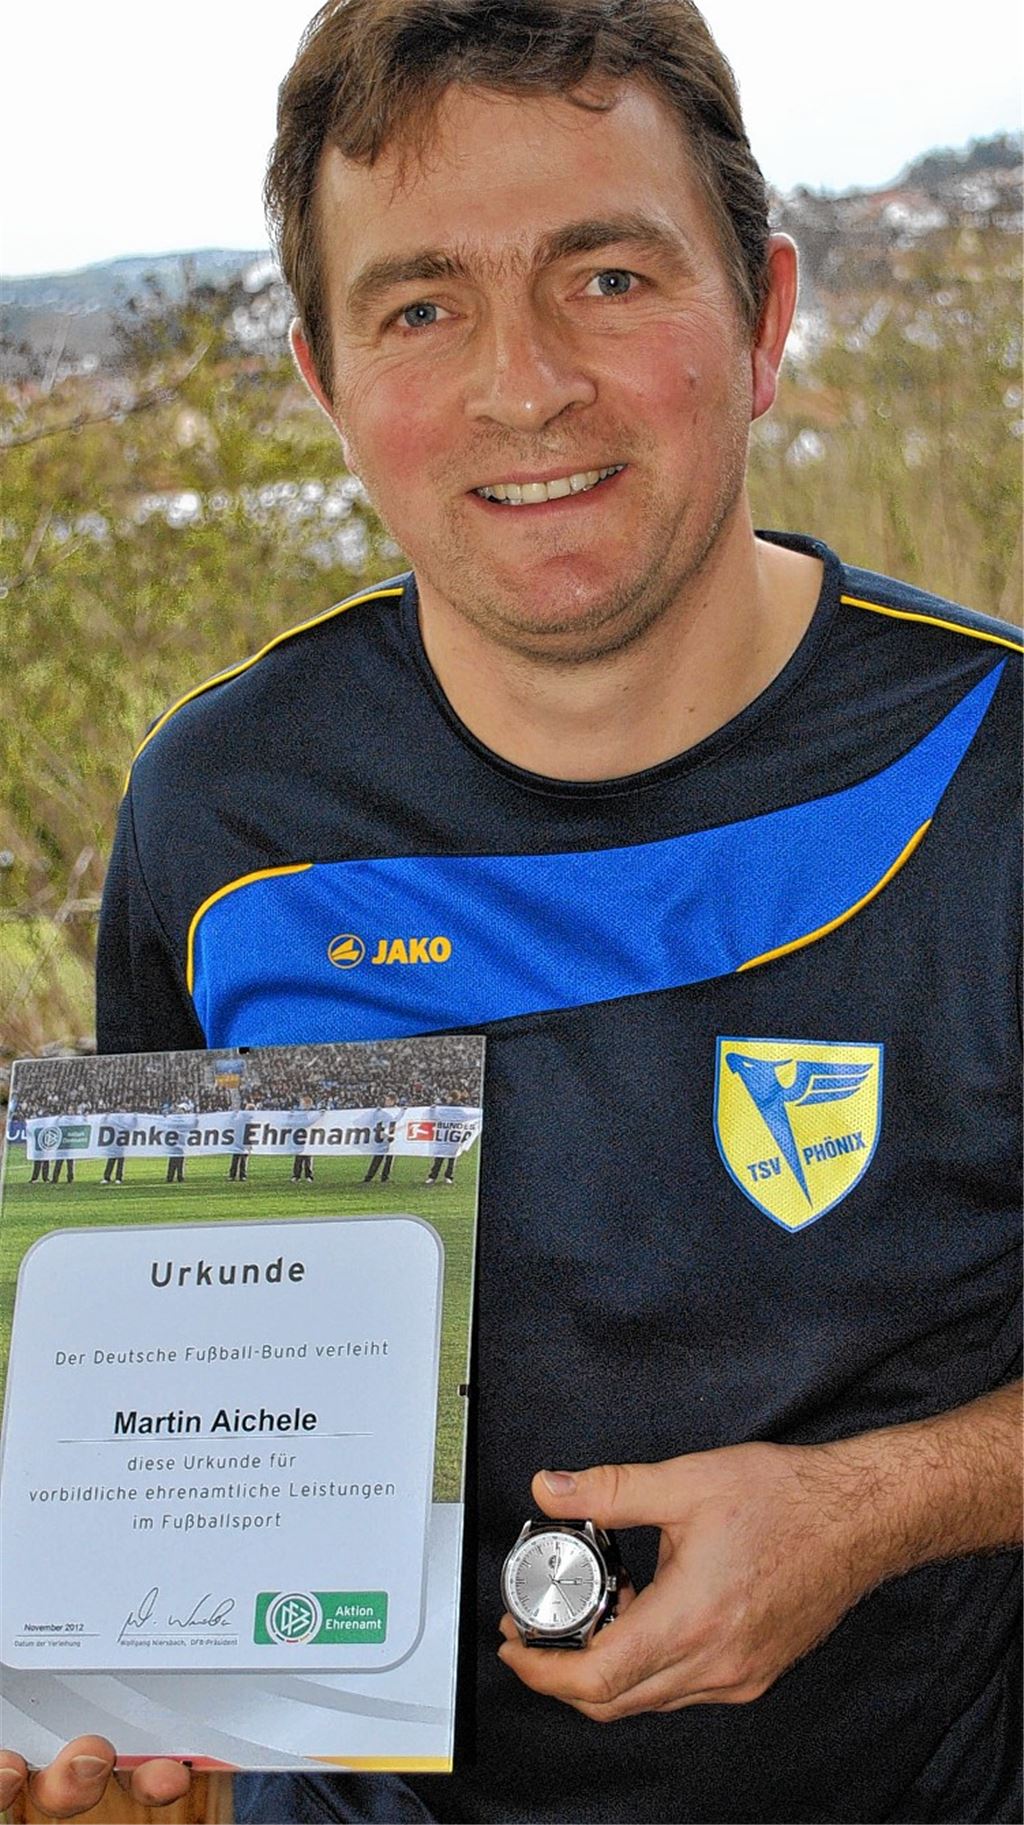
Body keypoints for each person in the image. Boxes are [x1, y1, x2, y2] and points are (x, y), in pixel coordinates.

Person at [3, 3, 1019, 1821]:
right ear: (321, 378)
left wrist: (879, 1508)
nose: (521, 384)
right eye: (420, 306)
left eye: (609, 277)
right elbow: (169, 1413)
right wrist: (160, 1751)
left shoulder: (998, 765)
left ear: (766, 314)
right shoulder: (223, 815)